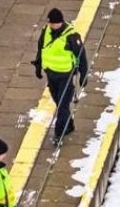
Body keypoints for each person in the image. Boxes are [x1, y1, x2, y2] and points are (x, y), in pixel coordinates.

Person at [33, 8, 88, 145]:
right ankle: (69, 125)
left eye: (55, 24)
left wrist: (83, 76)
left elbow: (82, 56)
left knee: (63, 105)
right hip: (51, 74)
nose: (53, 26)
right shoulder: (45, 31)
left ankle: (59, 134)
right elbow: (41, 49)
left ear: (61, 22)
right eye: (51, 23)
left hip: (66, 76)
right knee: (59, 101)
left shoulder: (71, 36)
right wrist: (38, 66)